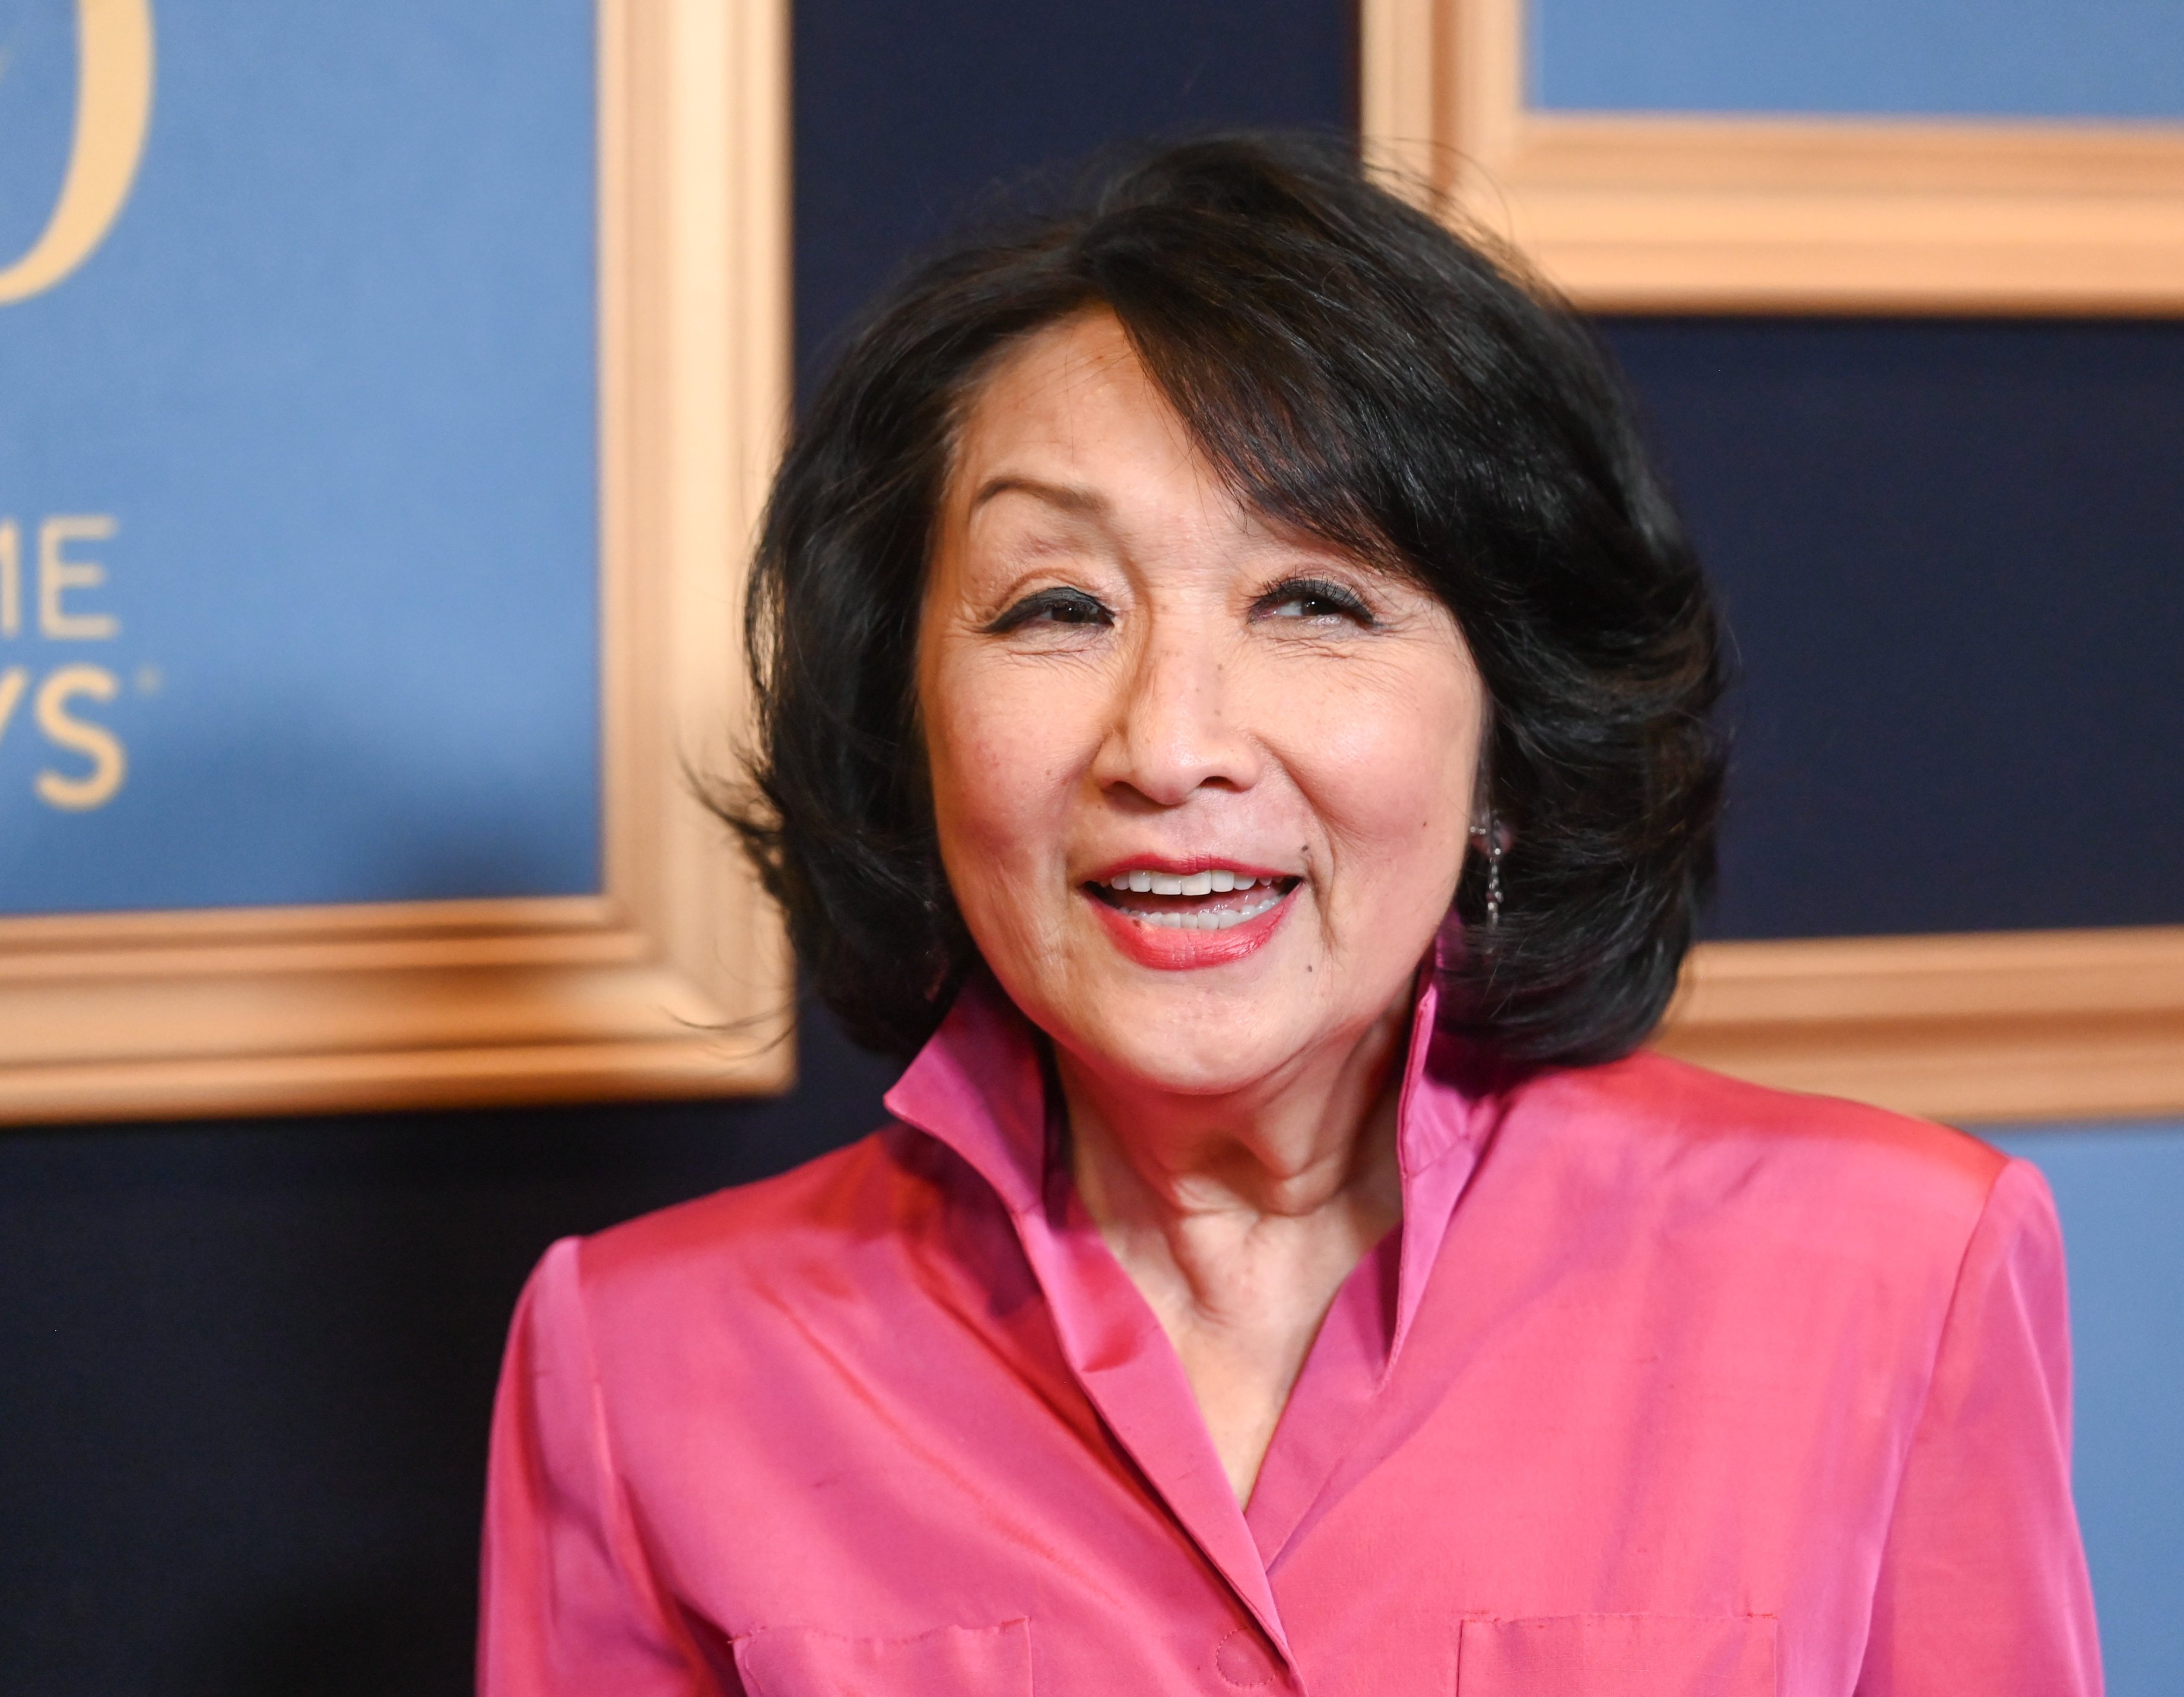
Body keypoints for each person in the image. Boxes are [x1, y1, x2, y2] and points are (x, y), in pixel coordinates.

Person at [480, 135, 2101, 1695]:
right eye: (1059, 606)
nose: (1171, 745)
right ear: (908, 725)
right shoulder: (639, 1369)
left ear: (1512, 738)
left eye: (1313, 600)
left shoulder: (1897, 1274)